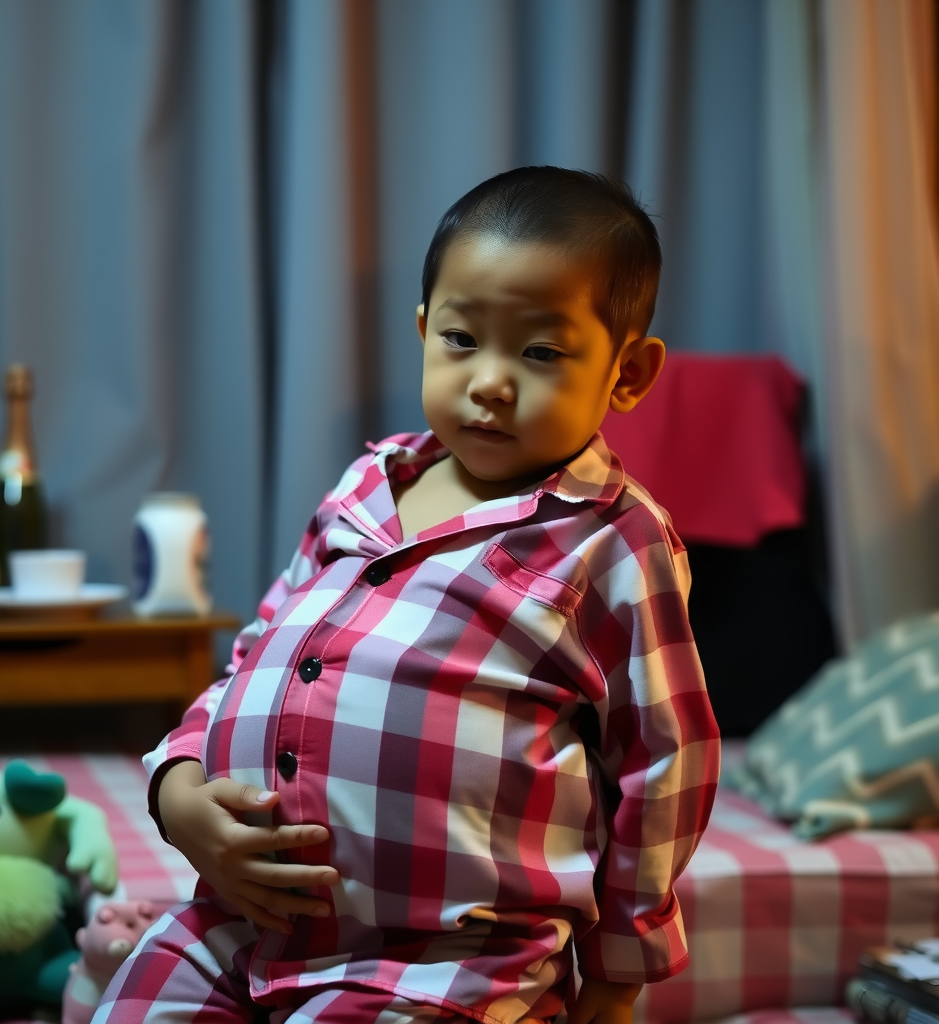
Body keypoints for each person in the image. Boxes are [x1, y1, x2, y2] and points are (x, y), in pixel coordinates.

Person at [96, 167, 720, 1024]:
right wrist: (178, 792)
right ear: (426, 330)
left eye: (541, 352)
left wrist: (617, 980)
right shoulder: (367, 485)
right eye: (463, 339)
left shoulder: (612, 541)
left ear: (628, 373)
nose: (491, 381)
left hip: (439, 962)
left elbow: (663, 764)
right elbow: (257, 649)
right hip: (241, 920)